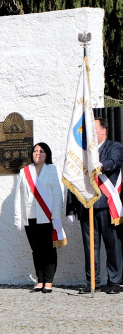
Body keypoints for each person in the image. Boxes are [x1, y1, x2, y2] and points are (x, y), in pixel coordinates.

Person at [68, 116, 123, 293]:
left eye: (94, 128)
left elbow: (113, 163)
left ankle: (114, 281)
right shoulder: (82, 152)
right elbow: (74, 178)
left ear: (103, 131)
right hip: (87, 205)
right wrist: (70, 206)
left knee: (112, 245)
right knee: (90, 247)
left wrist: (97, 165)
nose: (90, 133)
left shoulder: (114, 147)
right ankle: (93, 282)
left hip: (107, 205)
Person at [14, 142, 64, 292]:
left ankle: (49, 281)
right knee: (36, 250)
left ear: (47, 154)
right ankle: (40, 280)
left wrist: (56, 216)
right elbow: (19, 196)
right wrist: (18, 217)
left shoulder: (51, 169)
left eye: (41, 151)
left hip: (47, 216)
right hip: (30, 216)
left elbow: (57, 194)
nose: (37, 153)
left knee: (48, 249)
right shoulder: (24, 171)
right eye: (35, 151)